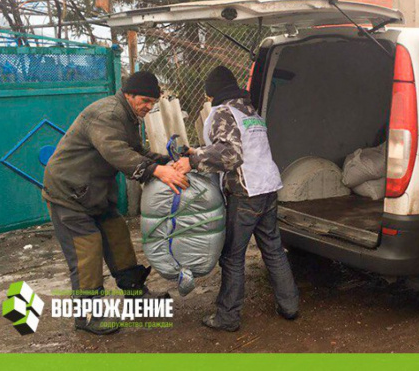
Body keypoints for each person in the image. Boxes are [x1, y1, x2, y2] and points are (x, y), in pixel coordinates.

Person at [43, 71, 190, 335]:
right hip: (69, 194)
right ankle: (87, 315)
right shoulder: (108, 114)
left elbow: (136, 150)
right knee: (86, 252)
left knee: (118, 239)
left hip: (94, 193)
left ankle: (137, 298)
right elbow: (116, 152)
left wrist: (166, 161)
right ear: (128, 94)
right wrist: (158, 172)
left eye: (152, 103)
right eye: (144, 100)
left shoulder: (128, 116)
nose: (148, 107)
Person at [174, 66, 299, 332]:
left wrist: (192, 161)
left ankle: (227, 317)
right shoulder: (249, 111)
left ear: (213, 92)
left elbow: (231, 154)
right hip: (267, 187)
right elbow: (242, 147)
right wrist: (197, 150)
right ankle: (289, 306)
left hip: (246, 193)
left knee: (232, 257)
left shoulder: (223, 112)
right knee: (274, 250)